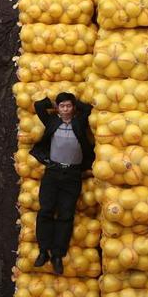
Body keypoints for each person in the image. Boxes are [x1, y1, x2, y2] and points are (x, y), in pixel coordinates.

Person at [29, 92, 94, 275]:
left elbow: (88, 109)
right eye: (62, 106)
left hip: (72, 174)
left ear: (73, 108)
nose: (65, 109)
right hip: (53, 172)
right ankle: (43, 251)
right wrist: (52, 101)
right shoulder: (52, 121)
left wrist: (75, 101)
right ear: (57, 108)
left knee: (66, 214)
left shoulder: (79, 122)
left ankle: (58, 254)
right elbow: (39, 106)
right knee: (46, 210)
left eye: (68, 106)